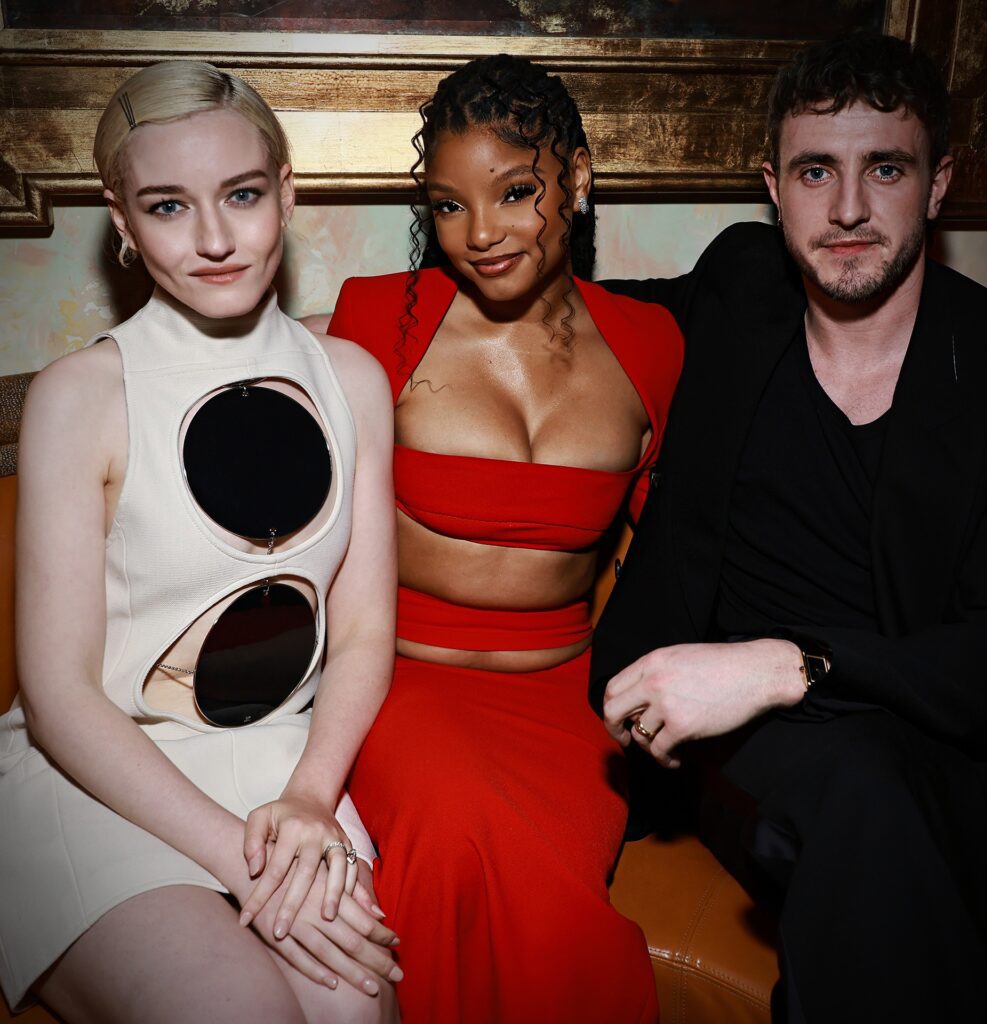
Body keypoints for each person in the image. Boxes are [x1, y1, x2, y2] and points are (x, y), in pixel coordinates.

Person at [590, 31, 987, 1024]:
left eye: (885, 168)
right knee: (864, 803)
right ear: (772, 187)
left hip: (946, 758)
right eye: (815, 171)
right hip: (757, 750)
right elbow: (553, 308)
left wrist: (794, 662)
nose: (848, 210)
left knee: (880, 807)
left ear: (939, 180)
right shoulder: (740, 289)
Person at [0, 61, 402, 1024]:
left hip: (282, 764)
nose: (216, 239)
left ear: (287, 192)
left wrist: (308, 802)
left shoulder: (351, 380)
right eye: (170, 206)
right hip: (96, 775)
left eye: (243, 195)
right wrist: (242, 859)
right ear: (123, 222)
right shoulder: (79, 396)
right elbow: (57, 700)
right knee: (236, 1007)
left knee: (355, 1007)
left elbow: (359, 636)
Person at [305, 53, 683, 1024]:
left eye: (515, 192)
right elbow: (218, 391)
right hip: (398, 686)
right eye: (447, 205)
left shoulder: (651, 344)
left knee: (559, 923)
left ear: (578, 178)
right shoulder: (375, 321)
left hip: (566, 711)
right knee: (451, 833)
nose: (480, 235)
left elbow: (695, 545)